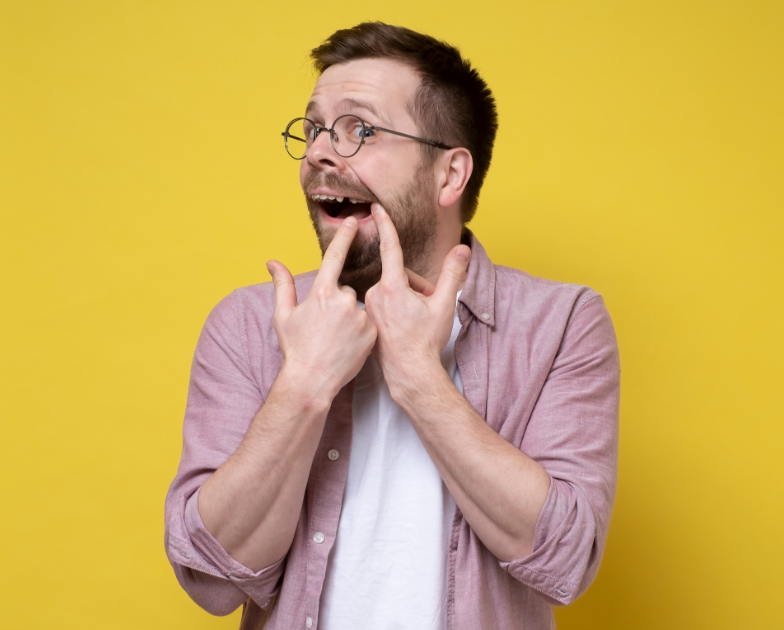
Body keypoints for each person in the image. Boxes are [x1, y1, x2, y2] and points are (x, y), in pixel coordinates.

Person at [164, 22, 620, 630]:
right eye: (316, 128)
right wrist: (303, 385)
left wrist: (419, 378)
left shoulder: (561, 323)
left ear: (449, 175)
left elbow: (566, 562)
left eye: (362, 130)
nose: (322, 152)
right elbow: (211, 578)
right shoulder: (249, 324)